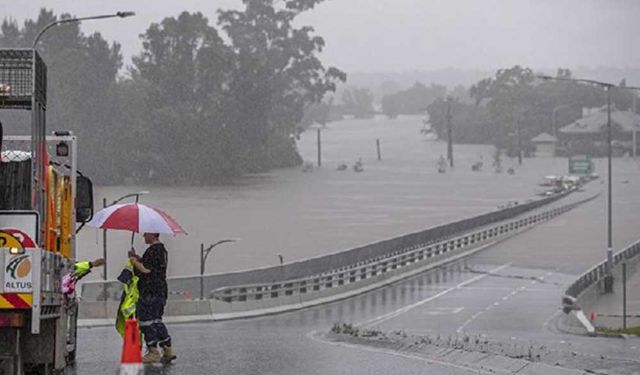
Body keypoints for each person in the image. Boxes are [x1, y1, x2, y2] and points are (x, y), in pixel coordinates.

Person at [129, 233, 175, 364]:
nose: (143, 235)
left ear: (152, 234)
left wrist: (133, 261)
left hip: (149, 291)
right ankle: (167, 349)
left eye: (146, 233)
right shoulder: (162, 250)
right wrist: (137, 257)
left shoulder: (153, 250)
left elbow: (146, 270)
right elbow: (152, 267)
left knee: (146, 321)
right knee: (156, 320)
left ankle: (153, 351)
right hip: (160, 290)